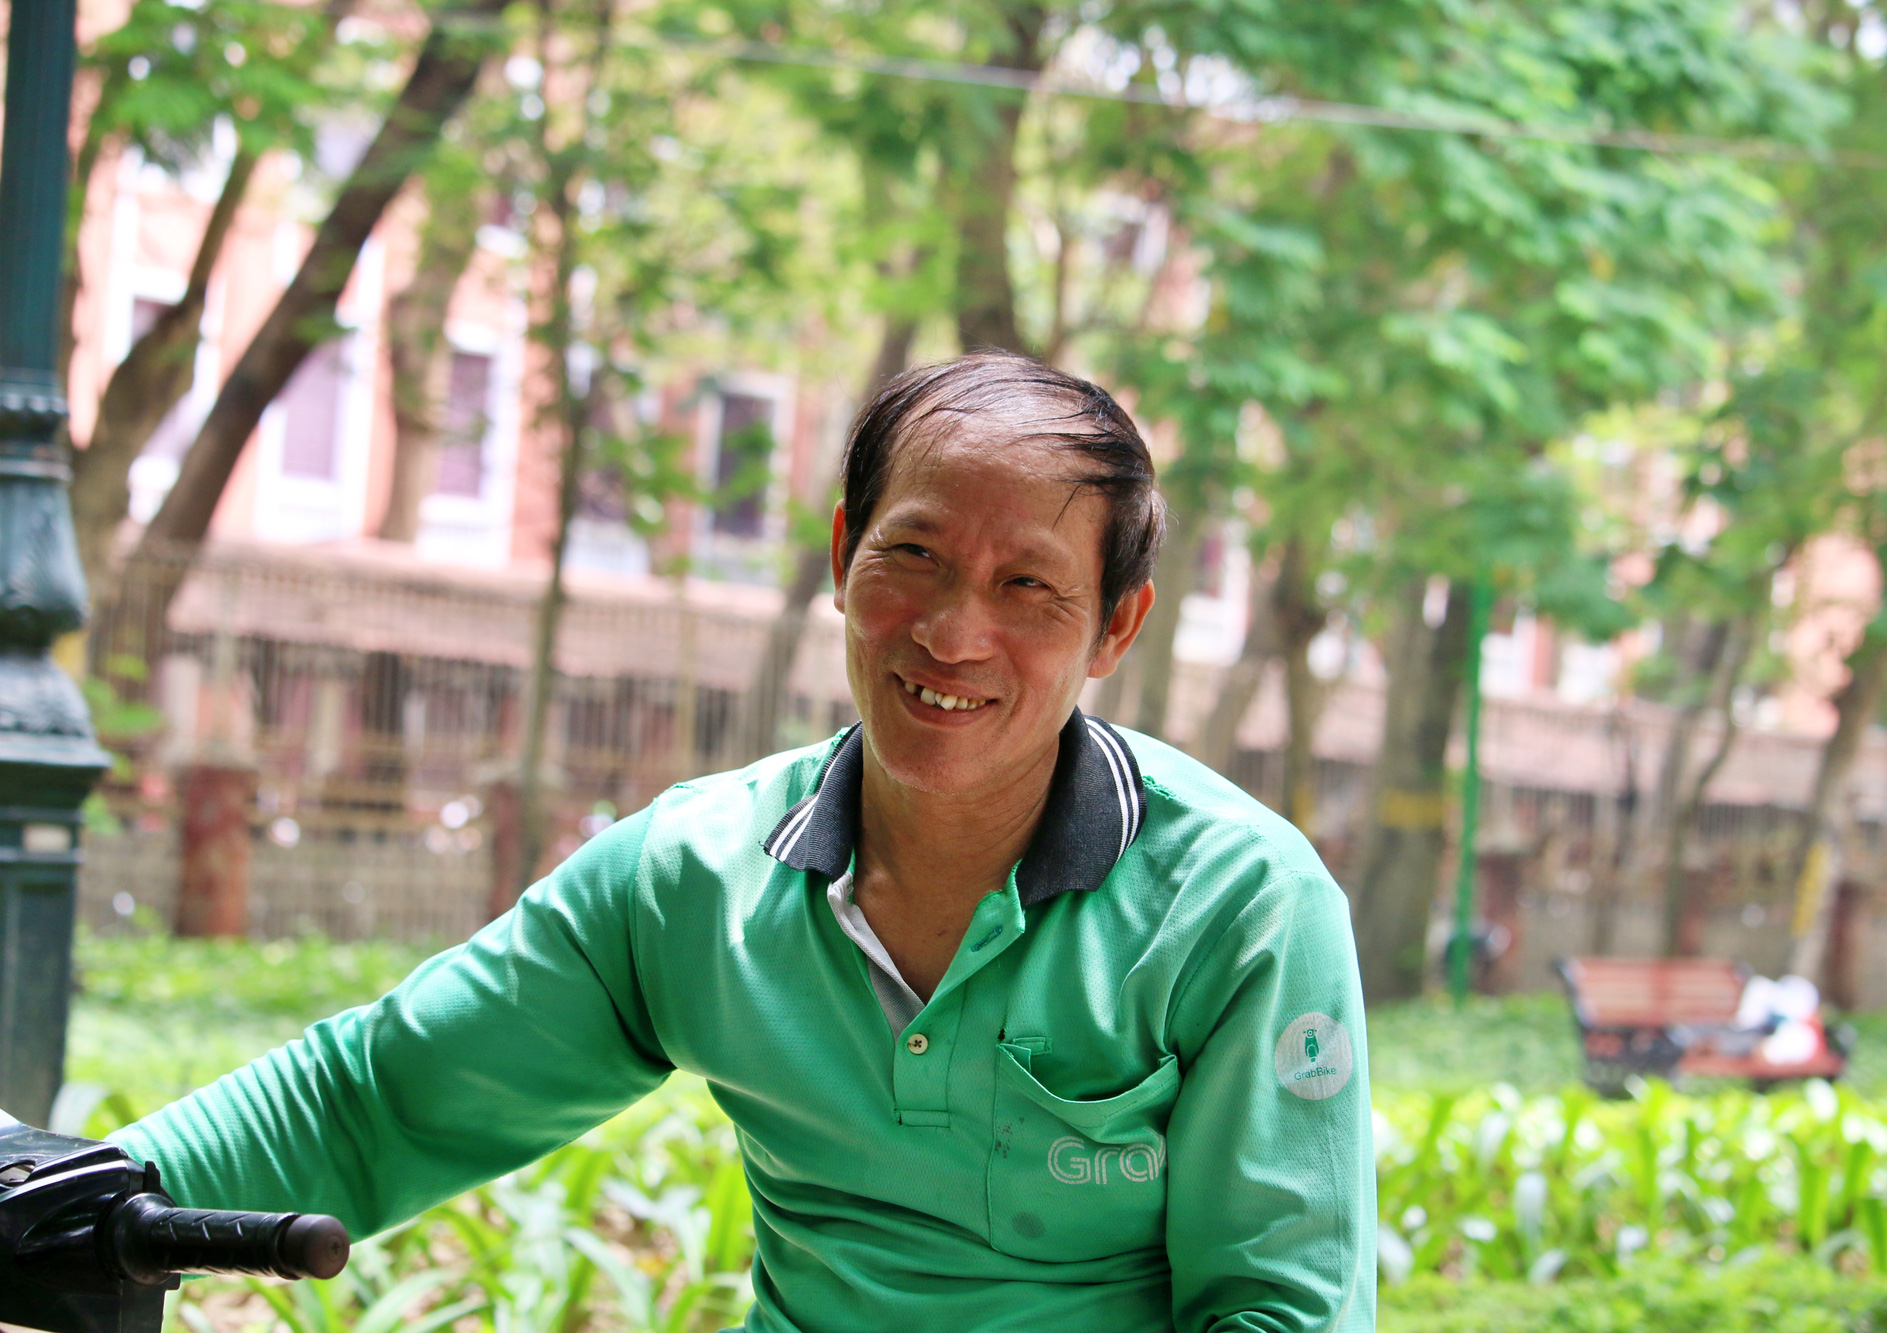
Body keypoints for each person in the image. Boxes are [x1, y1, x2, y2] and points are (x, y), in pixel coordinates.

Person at [112, 352, 1376, 1332]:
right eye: (913, 554)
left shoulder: (1240, 905)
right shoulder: (689, 881)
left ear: (1114, 626)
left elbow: (1278, 1305)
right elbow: (378, 1095)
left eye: (1026, 587)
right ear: (841, 554)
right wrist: (82, 1194)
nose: (948, 630)